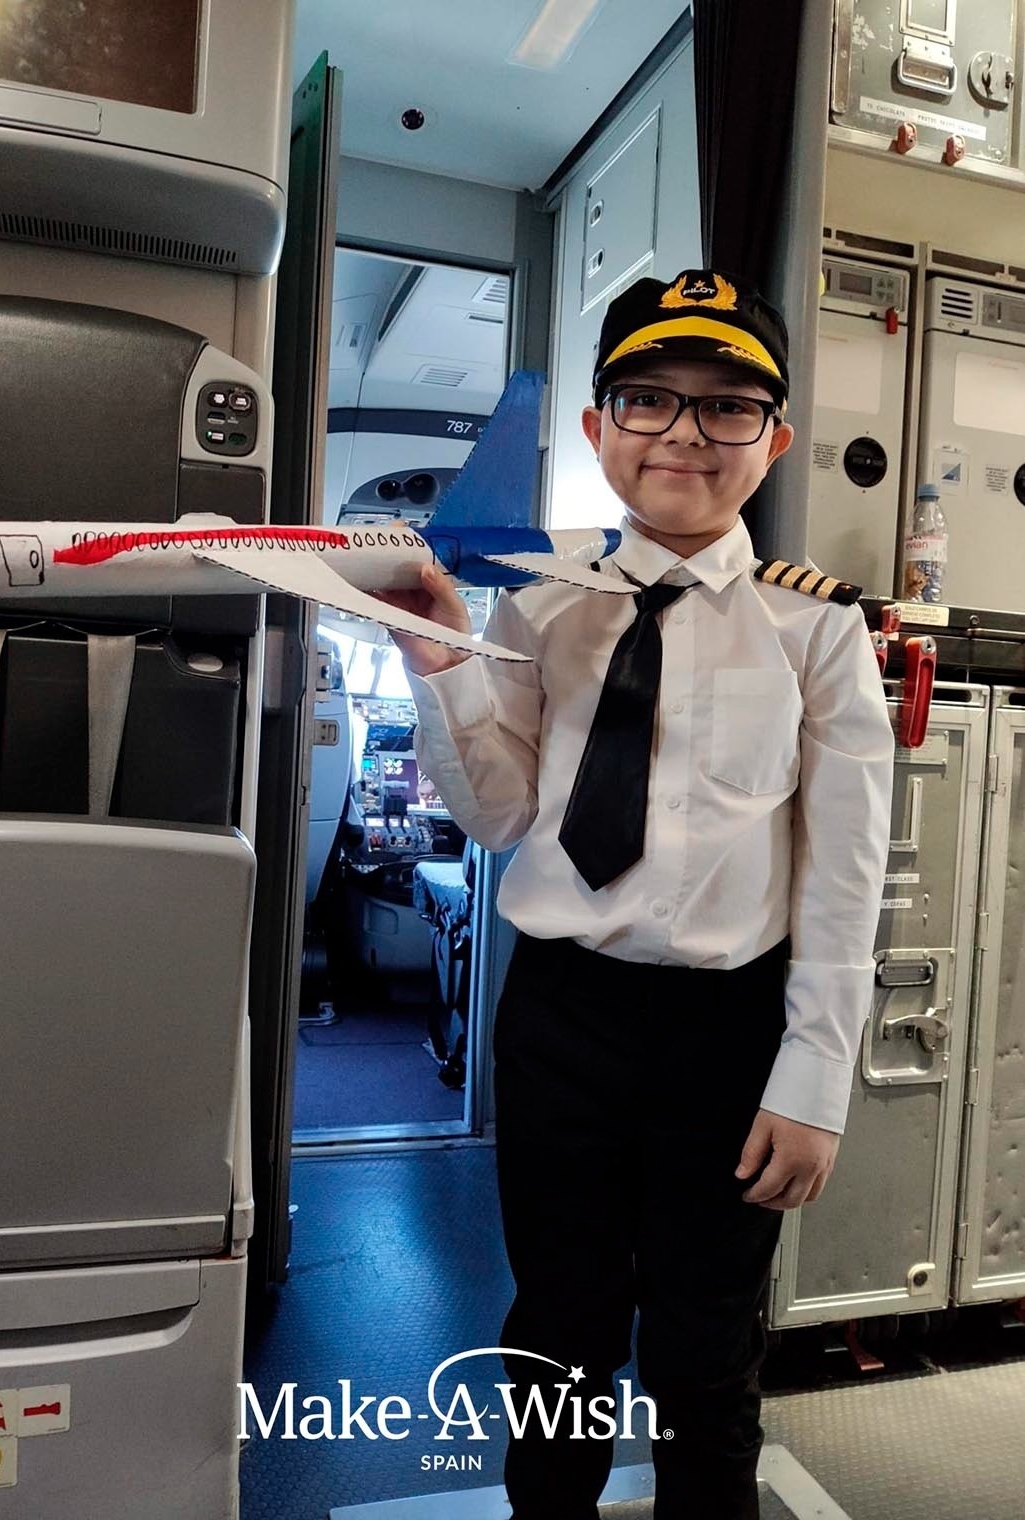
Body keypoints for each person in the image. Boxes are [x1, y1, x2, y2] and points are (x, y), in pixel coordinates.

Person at [377, 268, 895, 1520]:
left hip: (730, 1030)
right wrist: (440, 661)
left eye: (728, 408)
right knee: (557, 1334)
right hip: (563, 1014)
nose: (685, 434)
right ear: (602, 430)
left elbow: (845, 869)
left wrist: (815, 1078)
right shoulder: (538, 596)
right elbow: (500, 813)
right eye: (649, 400)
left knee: (707, 1355)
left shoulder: (813, 628)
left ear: (771, 442)